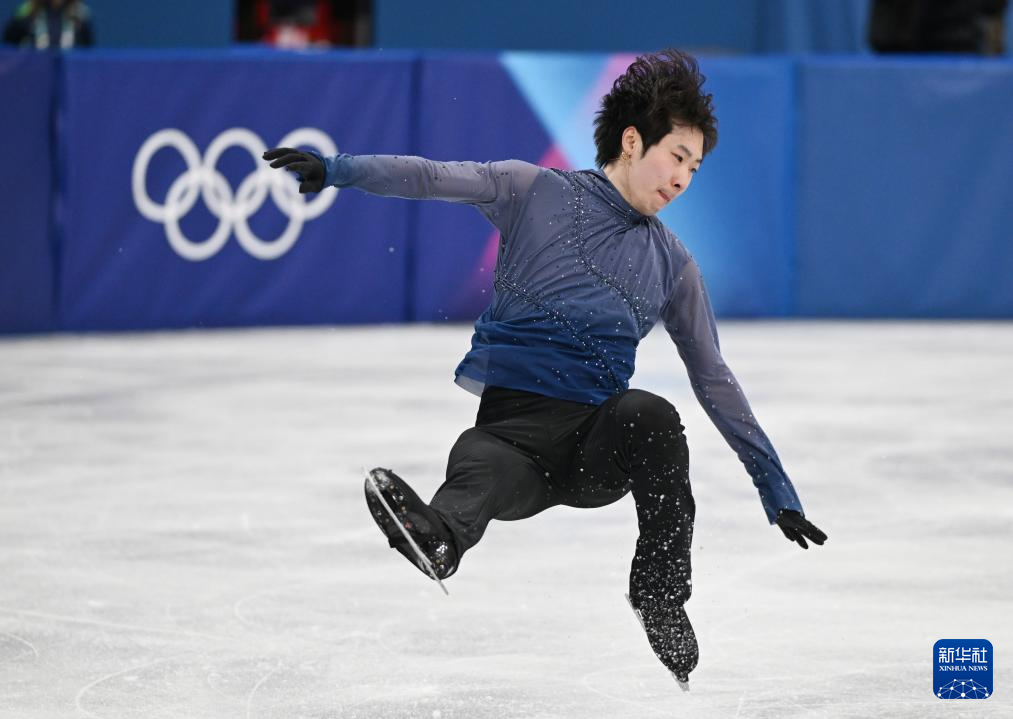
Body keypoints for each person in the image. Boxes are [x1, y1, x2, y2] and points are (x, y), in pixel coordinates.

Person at [262, 49, 827, 687]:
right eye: (677, 157)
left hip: (593, 450)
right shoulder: (532, 191)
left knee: (652, 415)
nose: (682, 180)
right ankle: (440, 539)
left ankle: (660, 595)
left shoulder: (674, 264)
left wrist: (775, 488)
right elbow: (429, 176)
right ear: (632, 141)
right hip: (511, 443)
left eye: (694, 168)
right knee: (476, 458)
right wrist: (338, 169)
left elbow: (713, 379)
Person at [2, 0, 94, 49]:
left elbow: (87, 55)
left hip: (69, 76)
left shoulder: (81, 16)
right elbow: (9, 51)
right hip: (32, 74)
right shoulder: (26, 13)